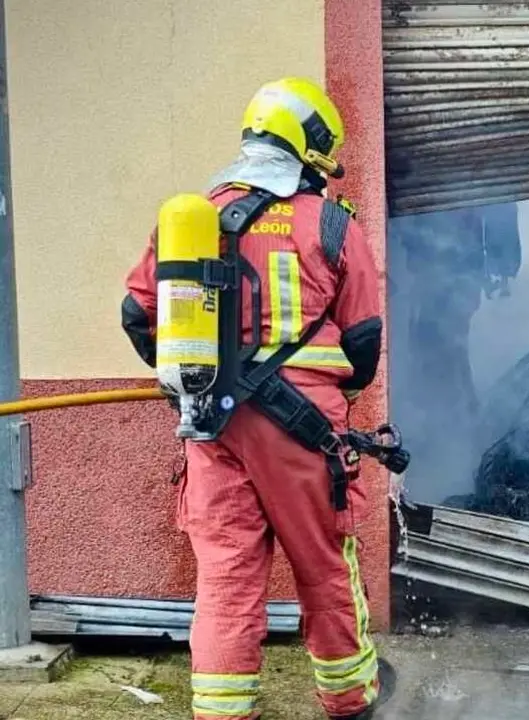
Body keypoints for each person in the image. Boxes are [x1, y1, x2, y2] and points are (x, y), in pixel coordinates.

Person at [120, 77, 391, 720]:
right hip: (304, 433)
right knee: (325, 568)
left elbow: (137, 314)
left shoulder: (192, 217)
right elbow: (364, 340)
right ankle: (349, 702)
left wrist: (190, 386)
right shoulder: (329, 222)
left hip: (211, 426)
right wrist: (329, 399)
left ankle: (221, 713)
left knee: (226, 582)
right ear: (308, 148)